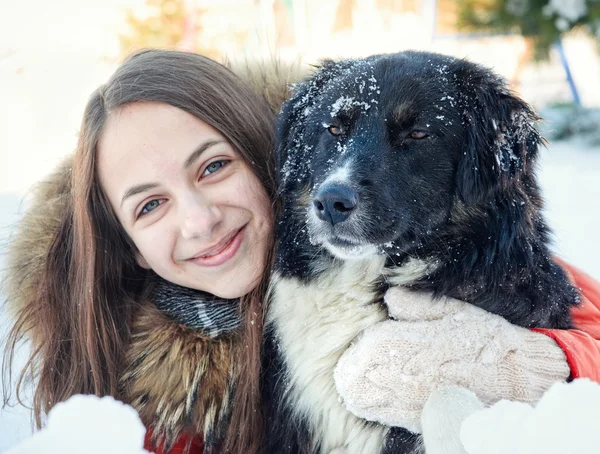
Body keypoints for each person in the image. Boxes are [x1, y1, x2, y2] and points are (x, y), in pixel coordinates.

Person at [3, 49, 600, 454]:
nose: (200, 220)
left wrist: (538, 366)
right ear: (126, 246)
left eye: (213, 167)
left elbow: (589, 331)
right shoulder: (135, 387)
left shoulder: (476, 262)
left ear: (269, 161)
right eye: (148, 205)